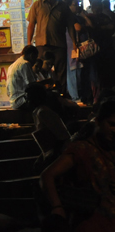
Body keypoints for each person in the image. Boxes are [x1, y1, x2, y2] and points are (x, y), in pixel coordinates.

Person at [40, 98, 115, 231]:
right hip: (94, 219)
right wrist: (57, 208)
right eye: (111, 124)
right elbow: (47, 175)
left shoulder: (110, 148)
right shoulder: (82, 148)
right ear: (98, 121)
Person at [27, 0, 71, 97]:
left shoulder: (63, 6)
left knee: (61, 72)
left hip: (59, 45)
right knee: (41, 71)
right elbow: (31, 25)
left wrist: (75, 44)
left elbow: (70, 26)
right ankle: (41, 96)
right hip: (42, 44)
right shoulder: (37, 5)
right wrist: (29, 42)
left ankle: (61, 95)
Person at [7, 45, 40, 109]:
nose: (35, 61)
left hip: (13, 102)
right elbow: (32, 86)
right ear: (32, 55)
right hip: (22, 101)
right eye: (35, 58)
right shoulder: (25, 64)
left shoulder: (12, 66)